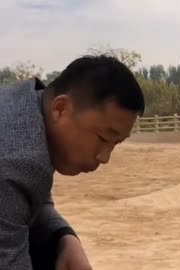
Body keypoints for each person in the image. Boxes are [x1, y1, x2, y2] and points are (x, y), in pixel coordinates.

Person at [0, 55, 145, 269]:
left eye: (116, 143)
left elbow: (28, 196)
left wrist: (63, 237)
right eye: (103, 138)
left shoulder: (28, 107)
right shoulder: (19, 159)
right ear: (60, 109)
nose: (104, 157)